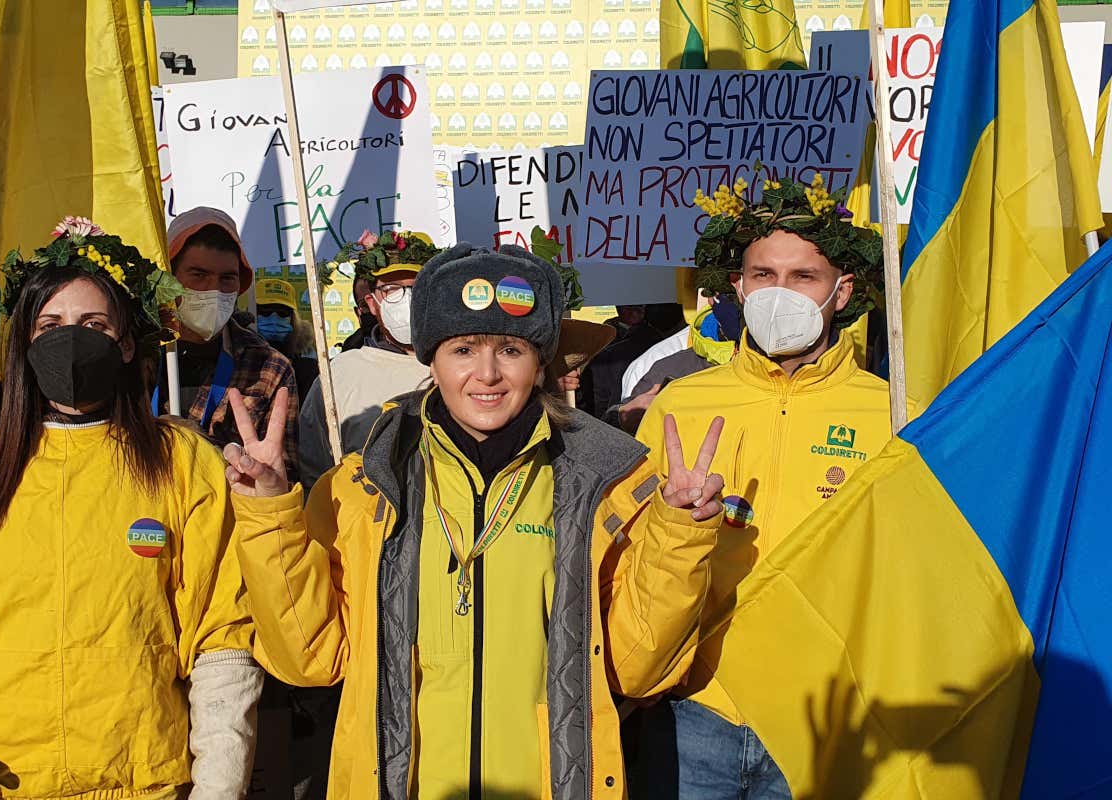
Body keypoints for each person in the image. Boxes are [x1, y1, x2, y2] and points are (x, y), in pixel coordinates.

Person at [225, 243, 730, 800]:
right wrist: (270, 514)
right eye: (463, 348)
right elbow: (310, 657)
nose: (486, 374)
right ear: (432, 358)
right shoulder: (360, 488)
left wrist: (679, 535)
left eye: (511, 349)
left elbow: (636, 669)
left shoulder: (605, 487)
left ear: (540, 361)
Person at [0, 218, 263, 799]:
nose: (69, 341)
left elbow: (221, 637)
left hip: (141, 776)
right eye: (50, 325)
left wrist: (219, 785)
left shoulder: (182, 463)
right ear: (24, 340)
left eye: (93, 324)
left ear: (126, 342)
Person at [631, 175, 905, 800]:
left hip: (828, 712)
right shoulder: (682, 402)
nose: (779, 294)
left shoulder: (893, 412)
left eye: (803, 277)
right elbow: (627, 551)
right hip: (697, 708)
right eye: (763, 275)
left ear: (844, 291)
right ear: (737, 286)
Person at [161, 206, 300, 477]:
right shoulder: (133, 353)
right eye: (198, 275)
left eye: (227, 278)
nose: (213, 289)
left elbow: (287, 475)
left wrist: (214, 456)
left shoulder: (270, 367)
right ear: (169, 278)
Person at [297, 230, 438, 487]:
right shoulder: (341, 373)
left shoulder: (465, 365)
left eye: (417, 287)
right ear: (372, 304)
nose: (407, 300)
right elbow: (314, 469)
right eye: (393, 289)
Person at [606, 305, 739, 434]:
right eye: (630, 308)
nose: (634, 313)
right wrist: (622, 419)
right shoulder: (658, 363)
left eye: (639, 307)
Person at [255, 277, 320, 405]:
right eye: (265, 311)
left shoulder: (307, 369)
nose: (274, 317)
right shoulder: (238, 361)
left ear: (292, 319)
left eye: (282, 313)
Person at [339, 273, 377, 353]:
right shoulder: (348, 355)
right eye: (365, 305)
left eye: (376, 301)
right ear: (358, 313)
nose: (373, 309)